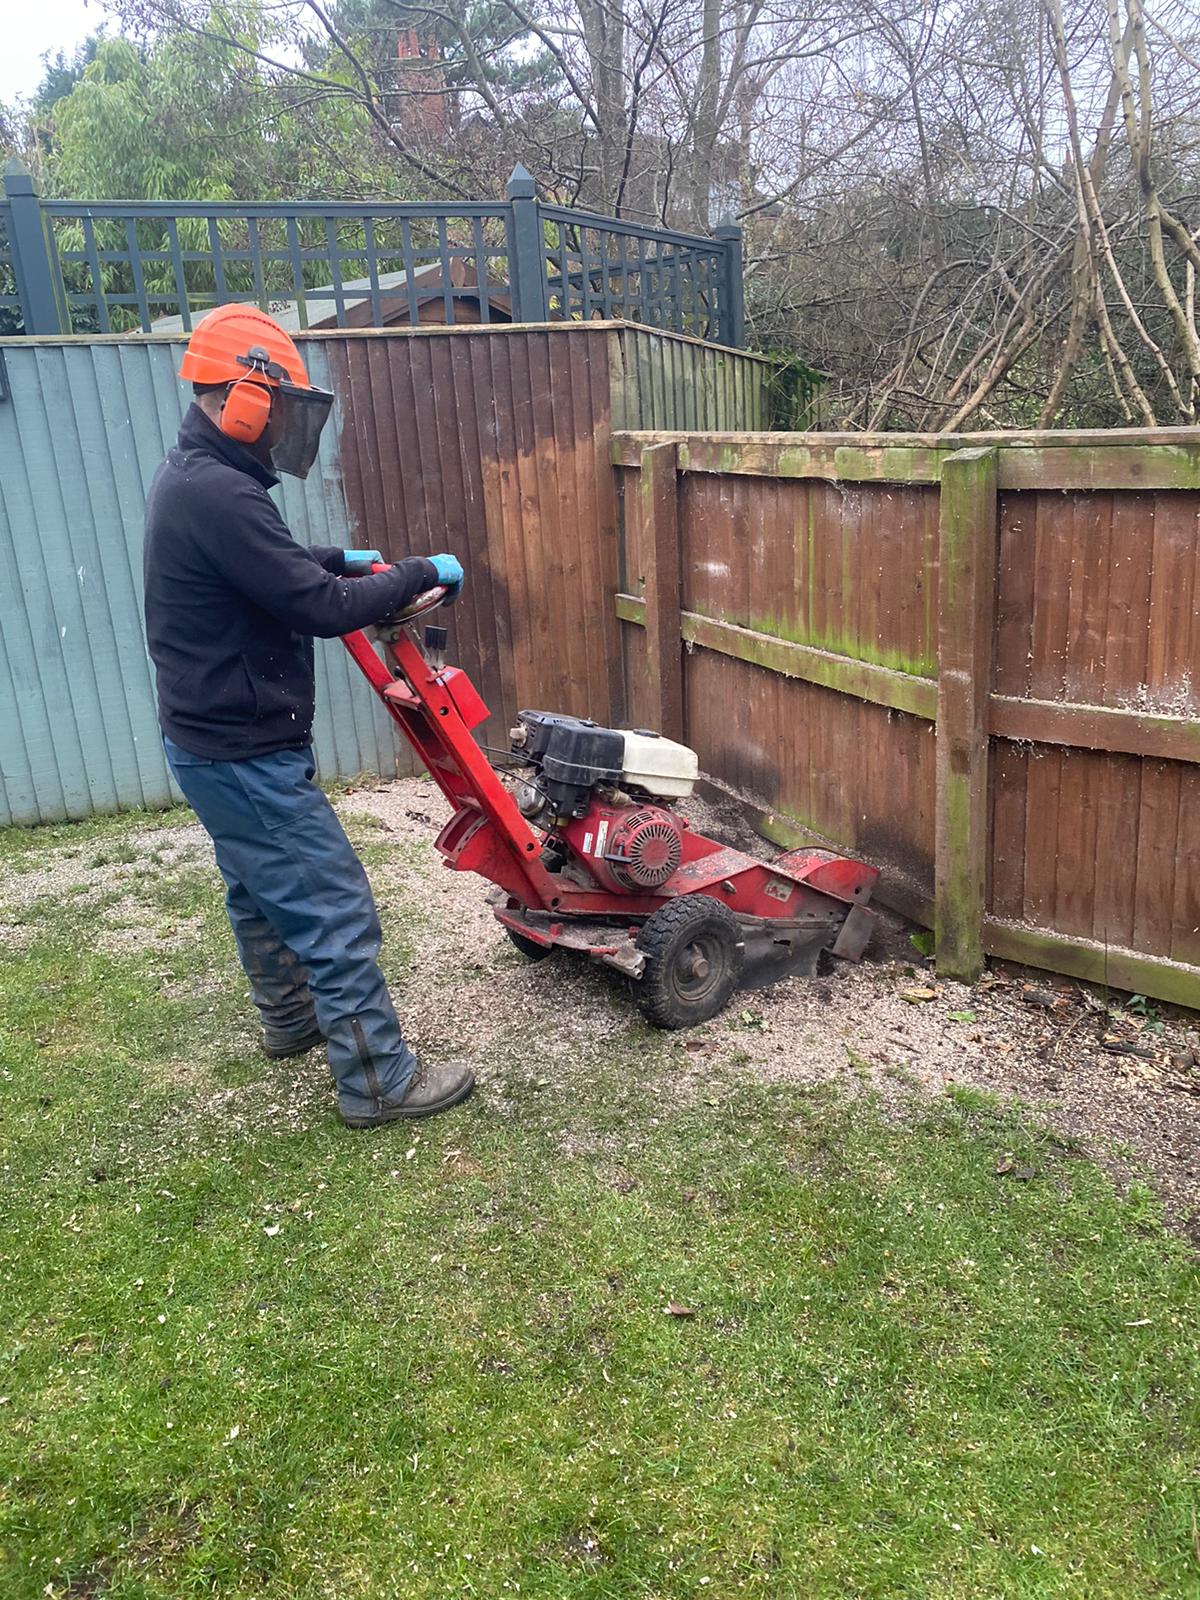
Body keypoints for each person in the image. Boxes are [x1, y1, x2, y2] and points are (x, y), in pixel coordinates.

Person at [142, 303, 474, 1128]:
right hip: (244, 753)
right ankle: (378, 1082)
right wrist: (418, 570)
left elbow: (277, 569)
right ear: (246, 397)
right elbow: (320, 606)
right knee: (330, 905)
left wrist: (343, 557)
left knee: (257, 890)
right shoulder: (217, 491)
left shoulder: (203, 478)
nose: (285, 423)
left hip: (209, 746)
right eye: (279, 403)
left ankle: (289, 1020)